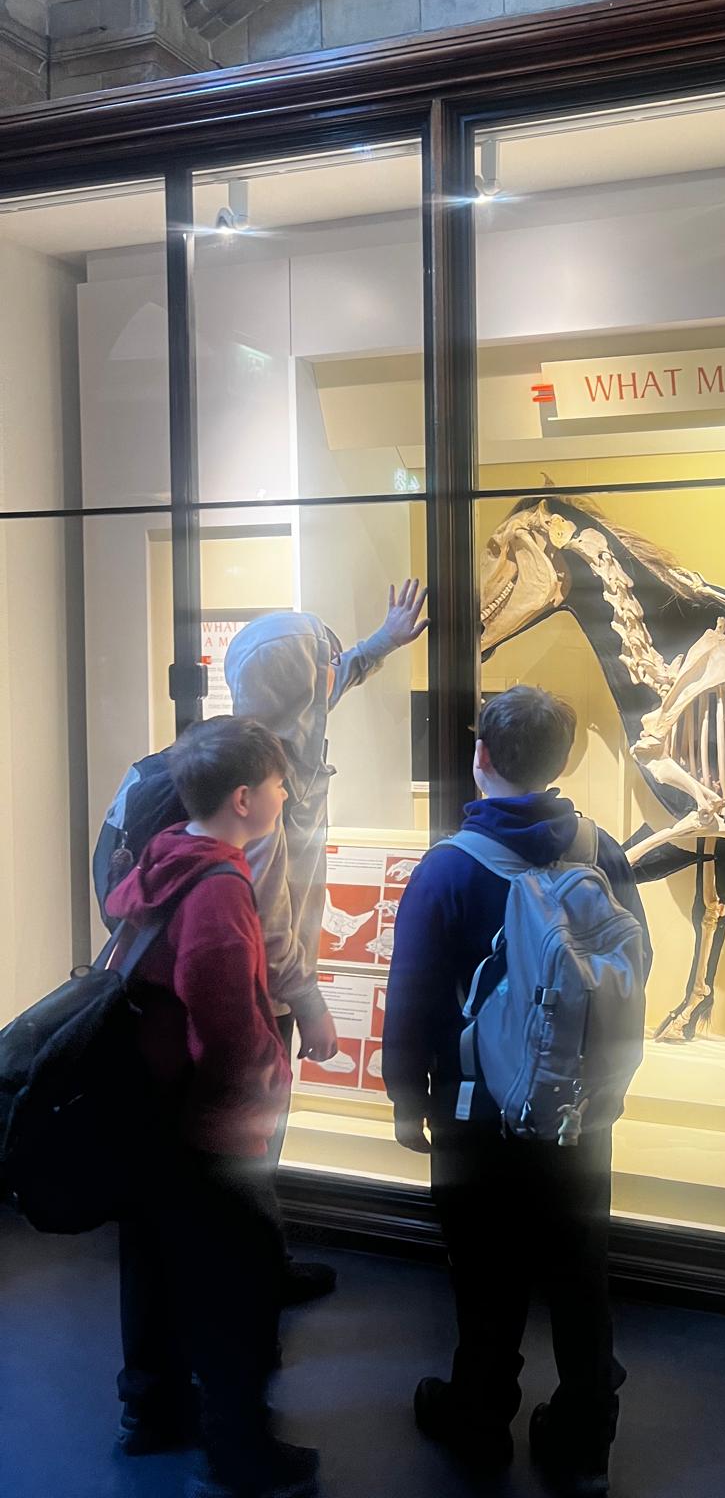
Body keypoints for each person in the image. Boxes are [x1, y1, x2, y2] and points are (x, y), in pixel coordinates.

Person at [383, 685, 651, 1498]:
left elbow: (413, 998)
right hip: (580, 1110)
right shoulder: (604, 852)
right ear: (563, 761)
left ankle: (479, 1418)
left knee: (484, 1274)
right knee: (581, 1270)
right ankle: (584, 1439)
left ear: (481, 758)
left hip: (477, 1113)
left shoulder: (447, 868)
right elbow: (632, 971)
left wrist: (407, 1098)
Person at [106, 716, 318, 1498]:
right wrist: (260, 1095)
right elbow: (225, 1023)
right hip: (211, 1128)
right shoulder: (223, 890)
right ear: (243, 800)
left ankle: (160, 1415)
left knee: (167, 1270)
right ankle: (237, 1455)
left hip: (159, 1115)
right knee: (239, 1287)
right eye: (277, 785)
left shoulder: (169, 856)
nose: (285, 795)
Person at [224, 581, 428, 1302]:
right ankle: (251, 1278)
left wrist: (383, 639)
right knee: (252, 1138)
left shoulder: (277, 728)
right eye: (322, 662)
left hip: (261, 986)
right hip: (257, 990)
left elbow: (337, 677)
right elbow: (264, 912)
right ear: (299, 685)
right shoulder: (256, 781)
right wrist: (306, 1001)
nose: (333, 671)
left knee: (251, 1134)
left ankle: (245, 1268)